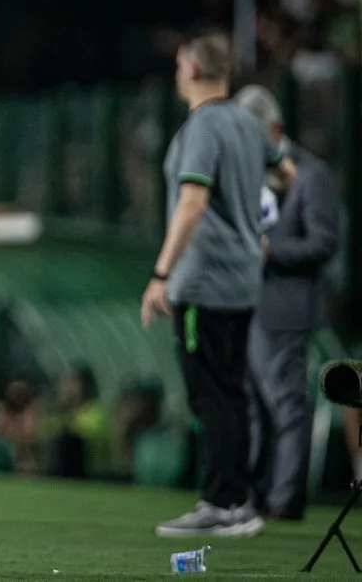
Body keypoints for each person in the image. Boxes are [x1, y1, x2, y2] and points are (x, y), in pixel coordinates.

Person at [141, 31, 296, 538]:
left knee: (211, 397)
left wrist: (162, 273)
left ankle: (221, 501)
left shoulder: (203, 126)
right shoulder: (248, 124)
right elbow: (287, 172)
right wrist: (252, 227)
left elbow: (192, 202)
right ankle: (239, 503)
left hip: (203, 282)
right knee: (231, 393)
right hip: (243, 280)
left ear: (188, 68)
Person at [233, 84, 340, 521]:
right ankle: (255, 494)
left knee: (287, 405)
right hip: (248, 304)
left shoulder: (311, 174)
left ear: (274, 128)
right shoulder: (252, 175)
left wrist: (270, 250)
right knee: (254, 406)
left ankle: (285, 500)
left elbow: (324, 241)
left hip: (287, 307)